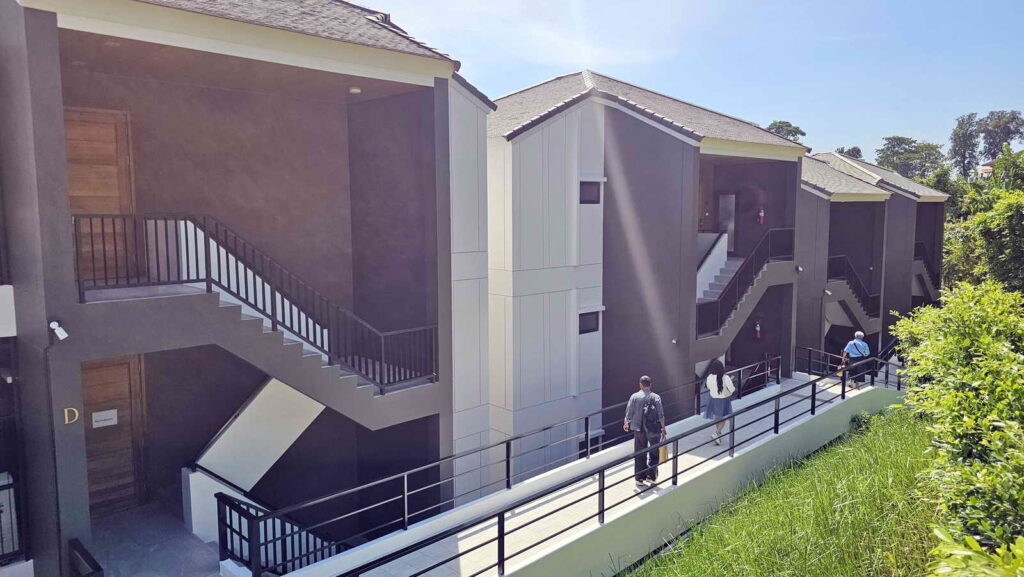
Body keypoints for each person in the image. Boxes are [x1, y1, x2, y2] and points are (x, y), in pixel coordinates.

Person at [622, 375, 666, 490]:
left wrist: (626, 422)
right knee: (654, 452)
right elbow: (661, 414)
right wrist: (663, 428)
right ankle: (651, 476)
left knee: (640, 452)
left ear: (640, 385)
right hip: (653, 428)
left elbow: (629, 411)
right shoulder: (656, 397)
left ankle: (639, 478)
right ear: (650, 385)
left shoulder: (634, 396)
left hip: (638, 428)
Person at [703, 359, 735, 445]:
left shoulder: (709, 377)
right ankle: (716, 433)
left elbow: (708, 387)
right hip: (723, 400)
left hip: (713, 399)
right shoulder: (726, 378)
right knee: (723, 418)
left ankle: (718, 436)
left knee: (717, 418)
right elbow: (732, 389)